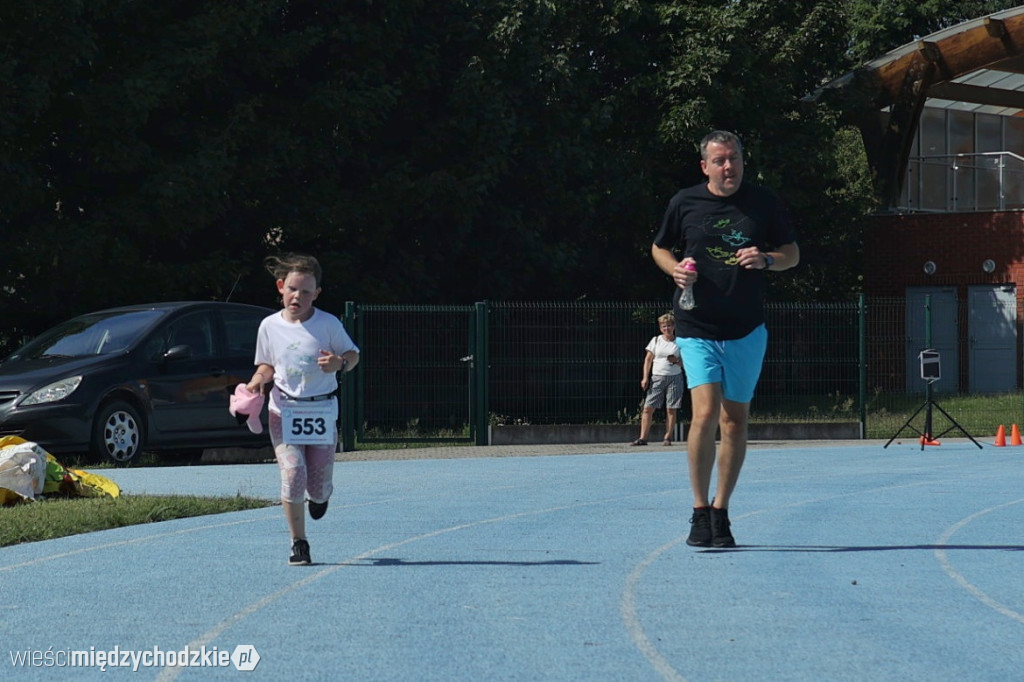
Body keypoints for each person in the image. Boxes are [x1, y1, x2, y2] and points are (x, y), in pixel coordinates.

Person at [650, 130, 799, 548]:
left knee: (735, 420)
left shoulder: (763, 202)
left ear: (742, 161)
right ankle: (699, 511)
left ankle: (721, 510)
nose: (727, 167)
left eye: (733, 158)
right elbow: (659, 248)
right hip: (696, 324)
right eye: (719, 161)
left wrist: (768, 259)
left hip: (746, 329)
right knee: (704, 413)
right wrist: (675, 269)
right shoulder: (685, 202)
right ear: (705, 166)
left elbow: (792, 252)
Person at [246, 253, 360, 566]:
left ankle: (320, 496)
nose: (298, 296)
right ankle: (299, 542)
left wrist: (340, 363)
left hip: (321, 410)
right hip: (284, 410)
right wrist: (257, 381)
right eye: (293, 289)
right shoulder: (269, 326)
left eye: (306, 291)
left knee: (318, 484)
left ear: (316, 294)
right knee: (293, 473)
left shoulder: (328, 324)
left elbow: (353, 354)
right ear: (281, 287)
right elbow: (267, 365)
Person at [631, 312, 684, 447]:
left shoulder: (679, 342)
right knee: (648, 408)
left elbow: (687, 363)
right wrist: (645, 377)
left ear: (674, 327)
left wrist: (676, 361)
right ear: (661, 328)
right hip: (657, 377)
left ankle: (668, 437)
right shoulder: (655, 340)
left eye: (670, 325)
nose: (667, 328)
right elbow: (648, 359)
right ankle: (643, 437)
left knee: (671, 408)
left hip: (675, 377)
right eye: (664, 326)